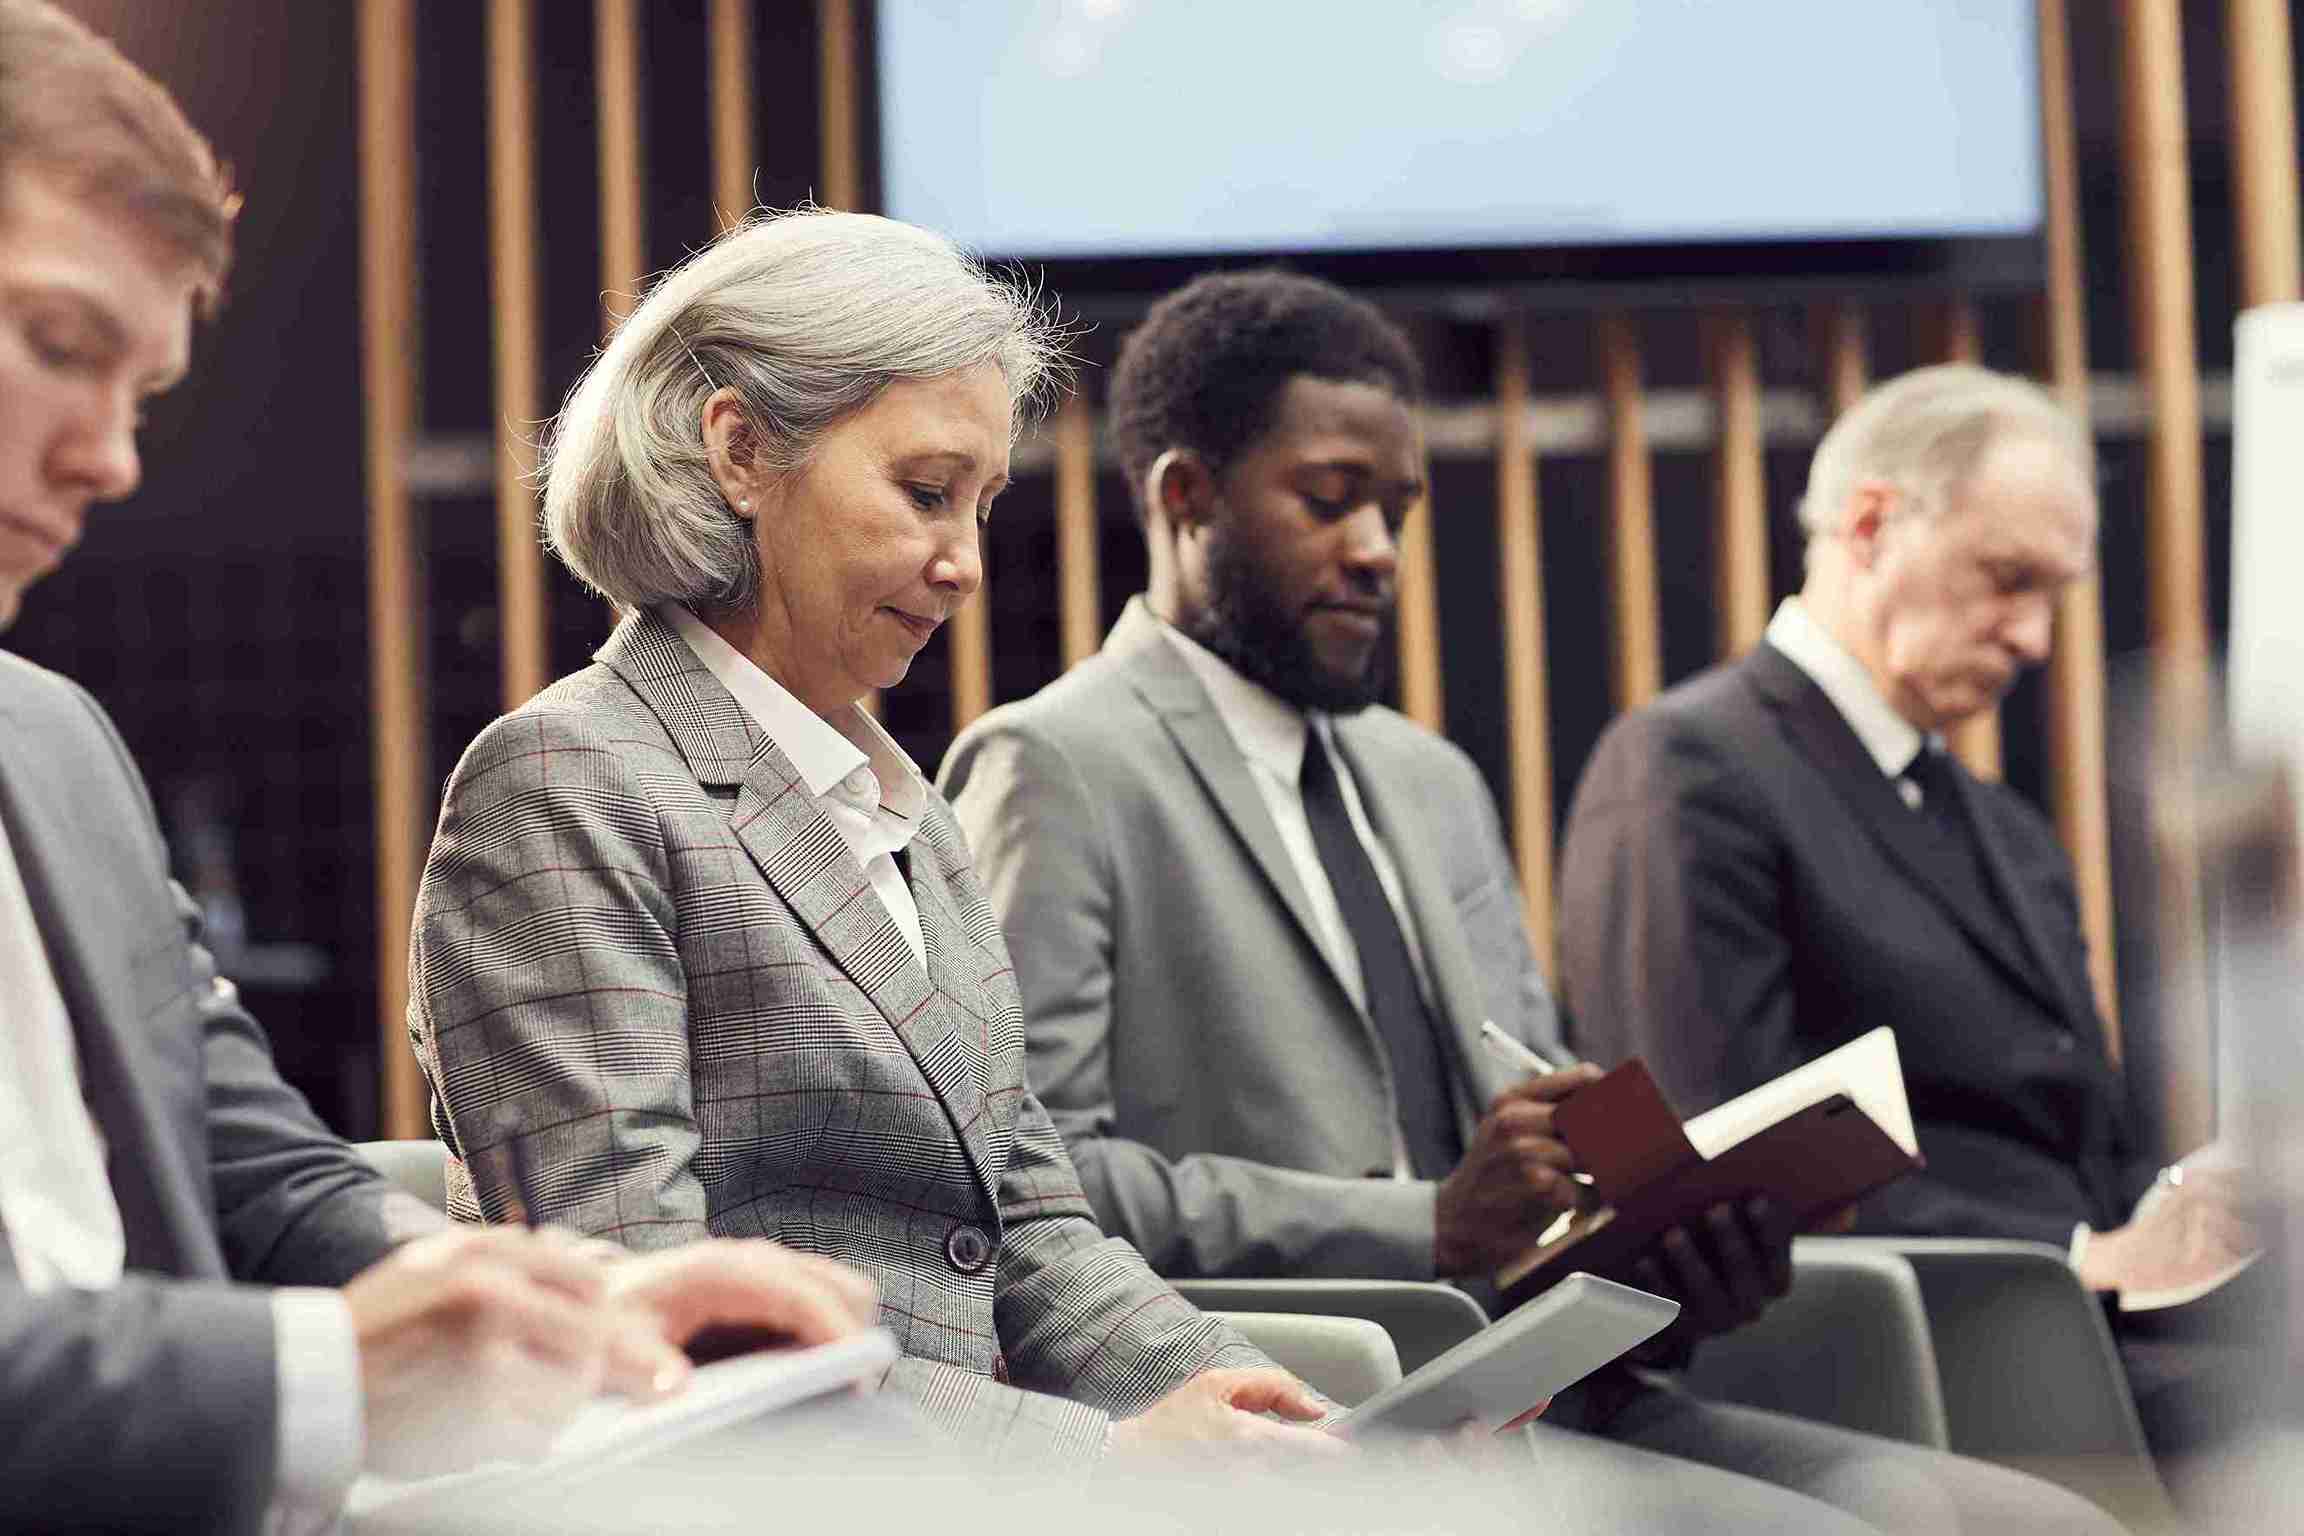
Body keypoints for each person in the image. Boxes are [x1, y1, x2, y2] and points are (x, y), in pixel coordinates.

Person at [942, 271, 2126, 1535]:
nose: (1376, 552)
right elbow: (1028, 1187)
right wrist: (1426, 1223)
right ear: (1187, 498)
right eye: (1330, 502)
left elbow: (1536, 1120)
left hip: (1534, 1375)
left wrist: (1673, 1225)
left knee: (2040, 1521)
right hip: (1324, 1404)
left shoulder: (1428, 780)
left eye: (1394, 511)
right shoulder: (1053, 764)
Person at [0, 4, 888, 1532]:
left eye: (141, 397)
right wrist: (331, 1375)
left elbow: (253, 1168)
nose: (111, 458)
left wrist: (575, 1299)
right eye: (60, 346)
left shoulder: (58, 745)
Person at [407, 209, 1338, 1472]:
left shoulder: (908, 812)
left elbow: (1034, 1228)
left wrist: (1265, 1411)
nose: (962, 565)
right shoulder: (562, 781)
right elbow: (645, 1306)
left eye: (983, 505)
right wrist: (1104, 1460)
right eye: (924, 493)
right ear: (739, 451)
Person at [1556, 362, 2258, 1460]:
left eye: (2053, 596)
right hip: (1900, 1354)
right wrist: (2077, 1254)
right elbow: (1713, 1169)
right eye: (2005, 578)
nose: (2034, 638)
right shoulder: (1689, 767)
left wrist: (2197, 1213)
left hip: (2084, 1335)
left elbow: (2085, 1143)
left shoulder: (2002, 824)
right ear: (1871, 524)